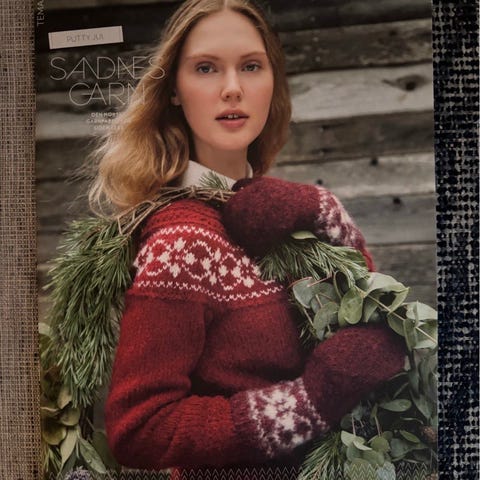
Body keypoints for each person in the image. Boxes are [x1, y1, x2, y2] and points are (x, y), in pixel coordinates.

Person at [92, 0, 406, 476]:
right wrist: (308, 402)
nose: (233, 88)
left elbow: (371, 329)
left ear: (272, 82)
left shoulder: (286, 213)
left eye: (251, 66)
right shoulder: (183, 240)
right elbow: (140, 428)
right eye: (205, 68)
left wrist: (325, 212)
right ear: (174, 89)